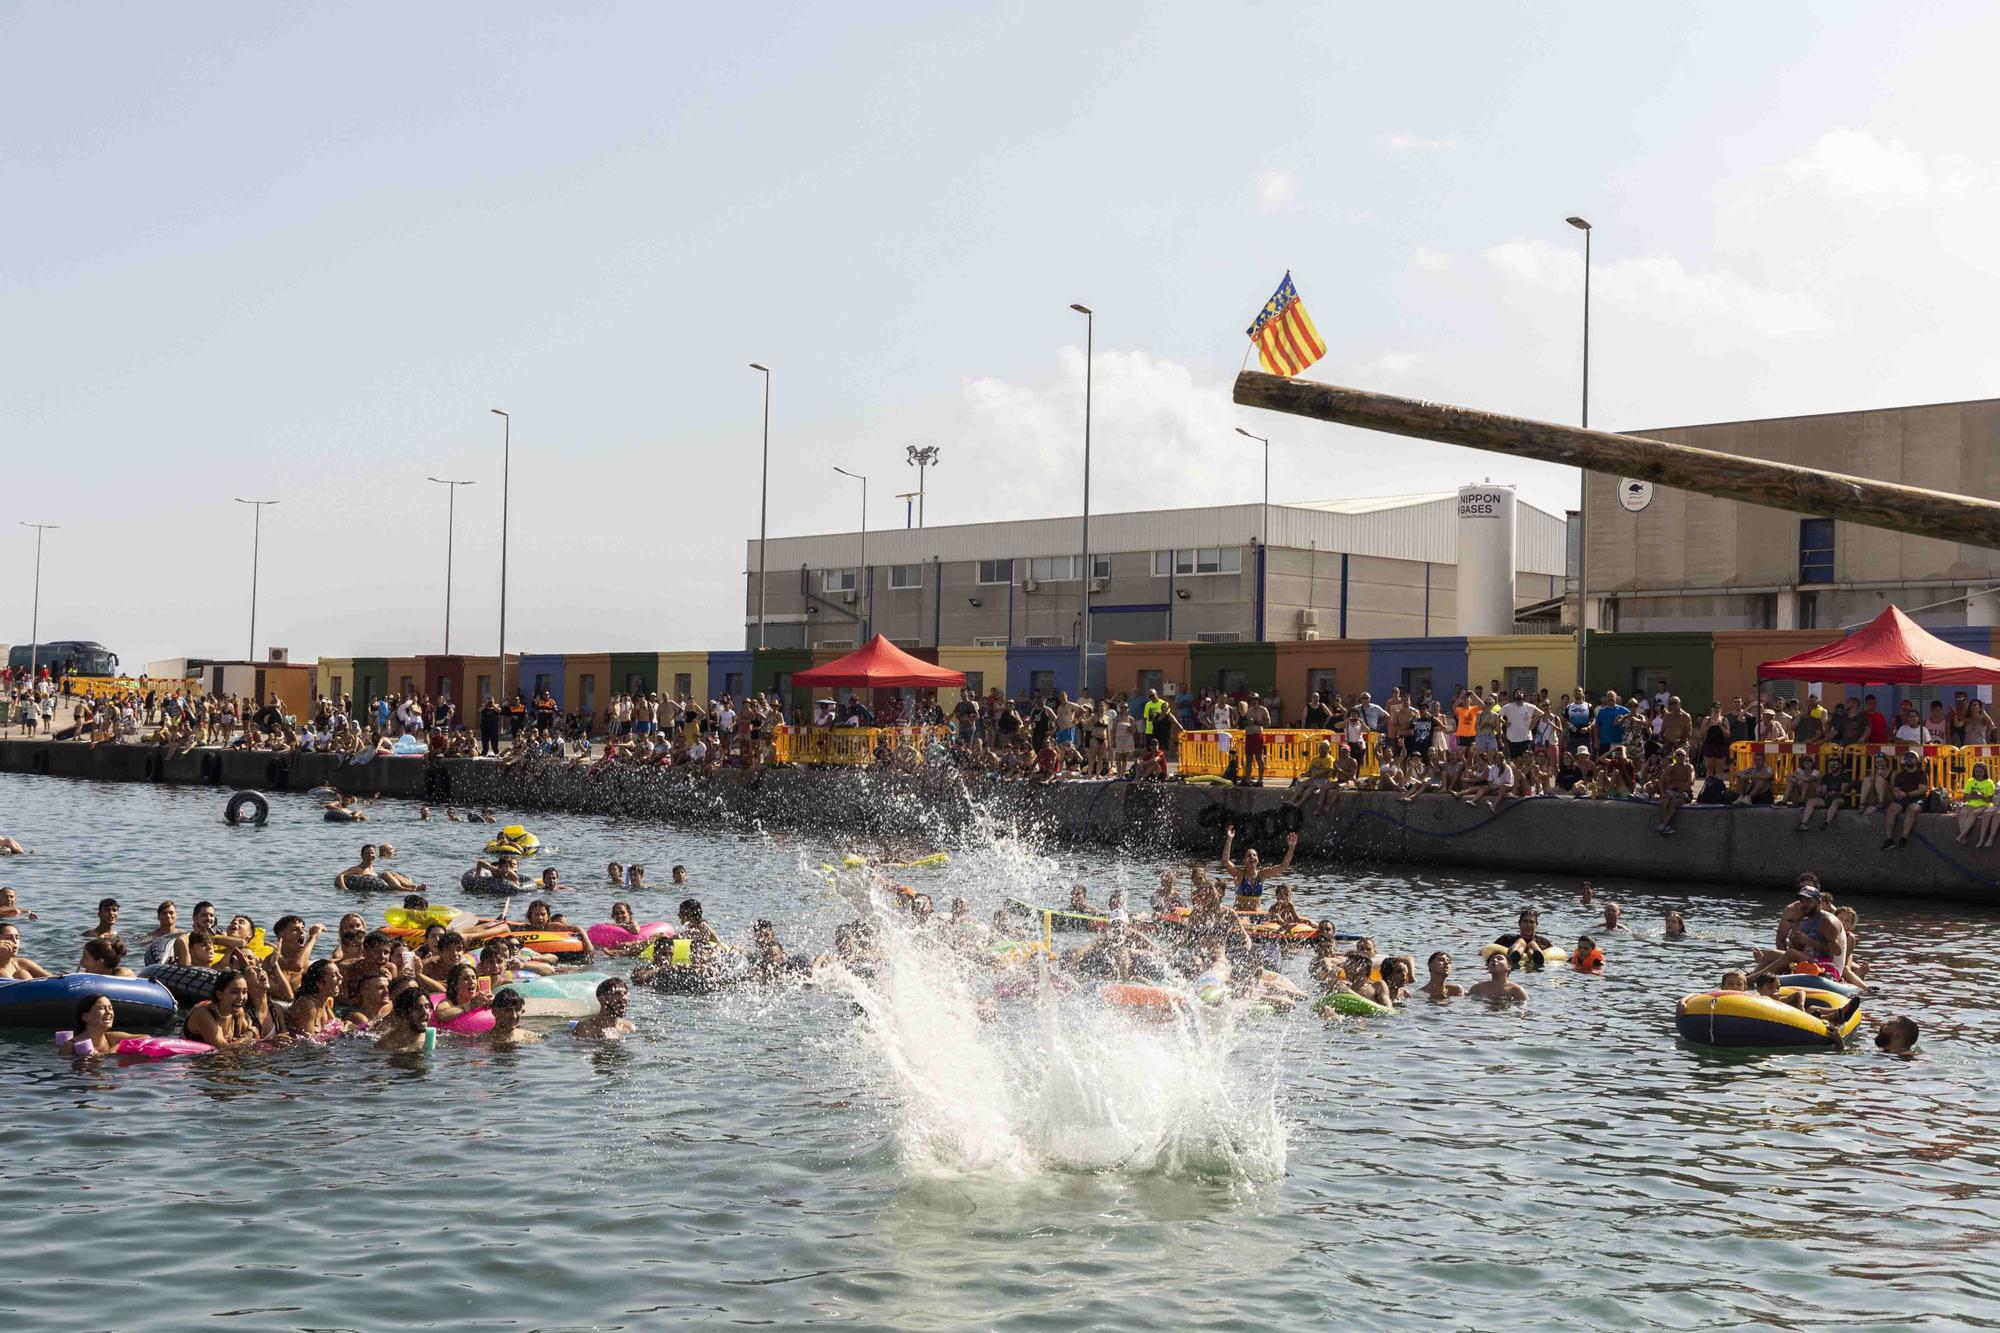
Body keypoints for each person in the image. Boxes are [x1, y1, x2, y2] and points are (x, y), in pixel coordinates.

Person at [1218, 827, 1299, 912]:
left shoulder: (1262, 875)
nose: (1252, 857)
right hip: (1240, 915)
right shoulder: (1239, 875)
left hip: (1257, 915)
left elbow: (1283, 867)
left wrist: (1292, 846)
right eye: (1249, 855)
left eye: (1254, 855)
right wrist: (1229, 839)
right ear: (1244, 860)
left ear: (1258, 859)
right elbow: (1225, 861)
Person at [184, 968, 270, 1048]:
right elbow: (224, 1049)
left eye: (244, 992)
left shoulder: (238, 1013)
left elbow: (255, 1036)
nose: (241, 997)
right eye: (234, 992)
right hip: (188, 1060)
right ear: (219, 995)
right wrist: (248, 1035)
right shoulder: (203, 1014)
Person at [1882, 751, 1930, 849]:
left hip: (1918, 798)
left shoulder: (1922, 774)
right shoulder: (1901, 774)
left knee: (1912, 809)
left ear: (1916, 761)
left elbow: (1921, 790)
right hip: (1903, 797)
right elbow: (1896, 787)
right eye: (1907, 760)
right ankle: (1888, 840)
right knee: (1891, 809)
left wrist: (1906, 794)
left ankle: (1903, 839)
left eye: (1911, 759)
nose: (1908, 762)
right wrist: (1897, 792)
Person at [374, 983, 435, 1052]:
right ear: (403, 1013)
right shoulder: (387, 1045)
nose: (425, 1012)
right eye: (417, 1008)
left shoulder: (430, 1038)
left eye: (427, 1006)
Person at [1958, 762, 1999, 846]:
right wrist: (1970, 796)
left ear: (1984, 772)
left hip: (1984, 804)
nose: (1978, 774)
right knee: (1963, 813)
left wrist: (1980, 796)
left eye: (1980, 772)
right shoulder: (1970, 781)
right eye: (1976, 772)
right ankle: (1964, 837)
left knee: (1974, 813)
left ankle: (1961, 835)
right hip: (1971, 803)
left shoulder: (1989, 782)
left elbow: (1990, 800)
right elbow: (1964, 798)